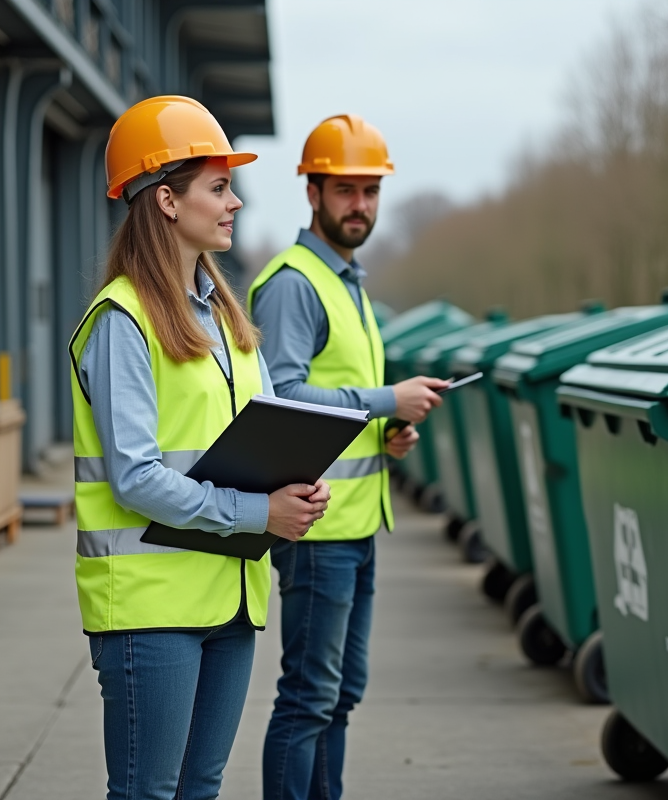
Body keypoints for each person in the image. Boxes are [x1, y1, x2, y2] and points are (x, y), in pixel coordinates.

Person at [68, 95, 331, 800]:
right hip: (151, 609)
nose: (235, 202)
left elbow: (255, 433)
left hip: (229, 598)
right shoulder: (123, 320)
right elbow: (135, 477)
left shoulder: (221, 317)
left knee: (200, 790)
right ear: (165, 200)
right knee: (148, 794)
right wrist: (257, 513)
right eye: (218, 187)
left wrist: (298, 484)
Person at [248, 113, 448, 800]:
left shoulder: (348, 282)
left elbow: (338, 402)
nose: (359, 205)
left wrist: (388, 433)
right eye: (345, 191)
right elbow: (283, 398)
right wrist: (388, 400)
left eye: (370, 191)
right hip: (315, 531)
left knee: (339, 695)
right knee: (307, 698)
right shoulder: (293, 283)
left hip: (357, 526)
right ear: (312, 192)